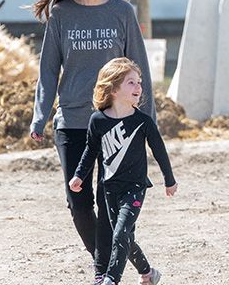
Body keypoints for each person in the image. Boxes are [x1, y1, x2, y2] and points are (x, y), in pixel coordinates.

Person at [28, 0, 155, 284]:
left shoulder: (122, 12)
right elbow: (48, 69)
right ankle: (140, 266)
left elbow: (139, 67)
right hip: (72, 122)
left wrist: (148, 120)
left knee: (109, 204)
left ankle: (102, 275)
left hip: (118, 123)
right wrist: (39, 116)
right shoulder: (61, 14)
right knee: (79, 204)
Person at [69, 57, 176, 285]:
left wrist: (169, 179)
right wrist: (79, 175)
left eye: (139, 82)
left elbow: (159, 150)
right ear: (113, 88)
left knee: (120, 234)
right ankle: (148, 273)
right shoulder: (97, 120)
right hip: (110, 188)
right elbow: (90, 151)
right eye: (131, 83)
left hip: (135, 187)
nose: (138, 87)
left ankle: (111, 280)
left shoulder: (143, 121)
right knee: (124, 236)